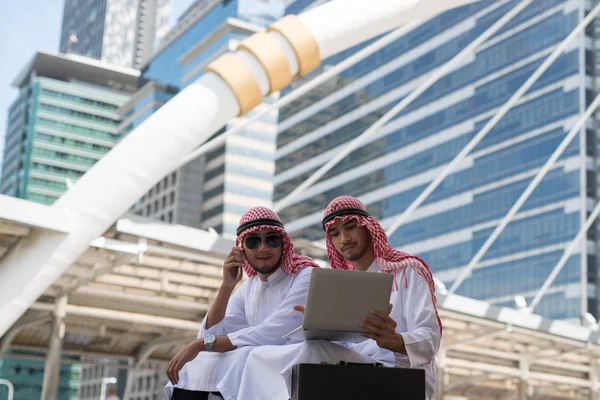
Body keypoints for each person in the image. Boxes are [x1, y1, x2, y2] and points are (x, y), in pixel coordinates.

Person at [236, 196, 442, 400]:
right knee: (259, 356)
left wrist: (395, 340)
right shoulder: (341, 283)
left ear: (367, 228)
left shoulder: (407, 271)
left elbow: (430, 337)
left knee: (313, 352)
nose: (344, 239)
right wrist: (320, 325)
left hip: (403, 371)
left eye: (350, 227)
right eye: (335, 233)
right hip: (357, 368)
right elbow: (347, 346)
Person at [164, 207, 319, 400]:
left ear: (283, 244)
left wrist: (201, 344)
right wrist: (227, 286)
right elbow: (210, 336)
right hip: (259, 363)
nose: (263, 248)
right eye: (253, 241)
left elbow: (274, 332)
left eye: (272, 239)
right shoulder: (249, 287)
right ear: (241, 249)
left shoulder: (305, 275)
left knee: (245, 358)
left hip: (295, 364)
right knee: (196, 363)